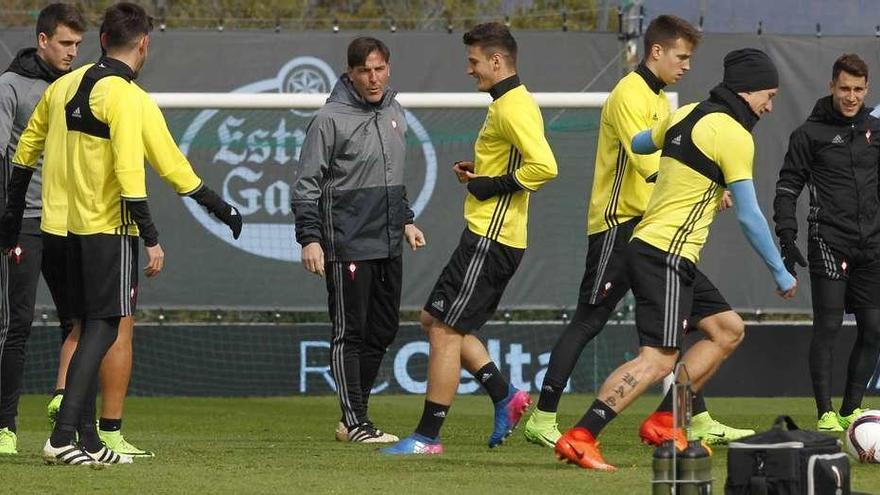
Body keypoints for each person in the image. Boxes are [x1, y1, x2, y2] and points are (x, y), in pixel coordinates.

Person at [0, 2, 242, 465]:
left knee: (84, 325)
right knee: (105, 325)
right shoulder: (130, 99)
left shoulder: (65, 85)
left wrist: (11, 219)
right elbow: (150, 171)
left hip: (57, 229)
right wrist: (159, 231)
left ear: (103, 40)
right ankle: (64, 435)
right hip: (107, 229)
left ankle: (89, 440)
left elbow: (25, 150)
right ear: (144, 45)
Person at [555, 48, 797, 470]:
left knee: (727, 329)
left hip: (661, 249)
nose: (770, 106)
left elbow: (639, 141)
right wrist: (778, 269)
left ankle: (668, 419)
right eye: (768, 95)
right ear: (747, 90)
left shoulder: (684, 113)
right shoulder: (735, 135)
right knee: (659, 358)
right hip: (665, 253)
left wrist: (687, 169)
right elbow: (749, 214)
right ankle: (582, 435)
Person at [523, 14, 753, 449]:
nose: (686, 66)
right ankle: (544, 416)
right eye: (681, 57)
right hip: (618, 226)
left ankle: (690, 417)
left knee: (706, 326)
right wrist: (698, 183)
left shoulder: (660, 100)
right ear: (657, 52)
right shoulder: (629, 93)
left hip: (654, 233)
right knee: (590, 321)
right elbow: (647, 161)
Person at [383, 22, 558, 455]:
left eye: (474, 61)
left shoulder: (513, 106)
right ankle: (506, 394)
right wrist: (481, 176)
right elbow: (517, 165)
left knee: (444, 331)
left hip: (491, 239)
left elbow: (545, 167)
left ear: (496, 61)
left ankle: (427, 438)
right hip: (487, 235)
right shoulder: (508, 104)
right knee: (434, 321)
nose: (470, 70)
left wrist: (488, 186)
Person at [292, 36, 426, 443]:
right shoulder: (329, 119)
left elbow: (393, 179)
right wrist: (310, 238)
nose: (373, 78)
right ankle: (355, 422)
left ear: (389, 68)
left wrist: (406, 220)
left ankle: (355, 416)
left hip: (388, 241)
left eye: (380, 68)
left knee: (382, 331)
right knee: (349, 332)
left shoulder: (395, 111)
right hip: (347, 241)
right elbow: (305, 186)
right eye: (365, 70)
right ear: (350, 72)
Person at [773, 53, 880, 432]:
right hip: (828, 241)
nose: (851, 96)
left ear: (867, 90)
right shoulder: (809, 134)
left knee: (875, 328)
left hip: (872, 247)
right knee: (828, 328)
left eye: (858, 89)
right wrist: (787, 236)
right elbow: (787, 188)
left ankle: (852, 409)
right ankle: (825, 413)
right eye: (844, 88)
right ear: (832, 87)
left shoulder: (875, 130)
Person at [0, 2, 86, 456]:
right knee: (17, 323)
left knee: (80, 320)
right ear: (43, 41)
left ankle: (60, 403)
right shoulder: (10, 86)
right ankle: (4, 427)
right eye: (66, 43)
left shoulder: (80, 87)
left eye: (78, 43)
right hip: (26, 223)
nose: (73, 51)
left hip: (71, 223)